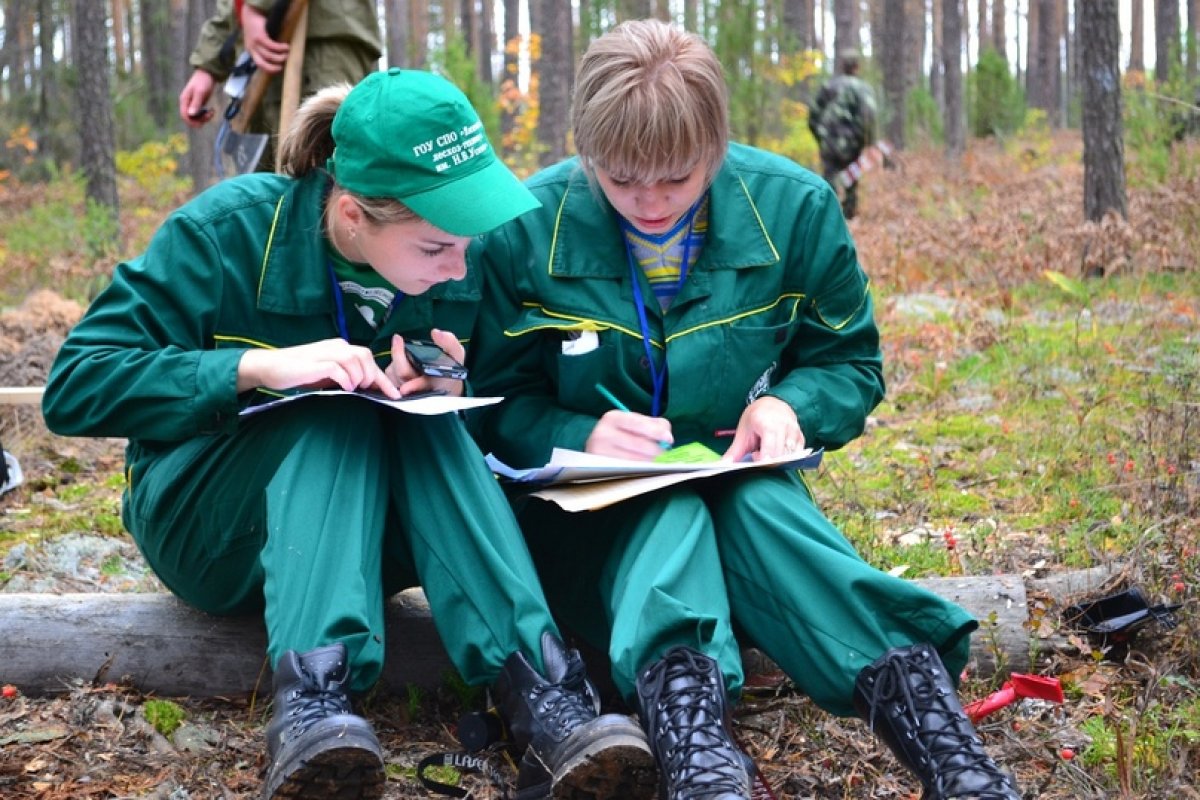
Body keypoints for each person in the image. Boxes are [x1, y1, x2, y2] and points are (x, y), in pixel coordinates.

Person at [44, 69, 659, 800]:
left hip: (378, 534)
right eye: (436, 249)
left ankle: (544, 699)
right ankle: (312, 707)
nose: (462, 267)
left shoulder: (458, 258)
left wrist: (453, 387)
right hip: (211, 526)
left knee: (421, 423)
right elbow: (76, 385)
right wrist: (256, 368)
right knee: (335, 404)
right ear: (351, 214)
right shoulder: (228, 233)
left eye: (466, 243)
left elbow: (501, 411)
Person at [467, 20, 1021, 800]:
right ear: (585, 150)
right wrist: (577, 430)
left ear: (717, 146)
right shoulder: (520, 229)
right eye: (622, 180)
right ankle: (701, 759)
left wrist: (791, 406)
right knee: (672, 516)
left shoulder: (794, 211)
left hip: (742, 491)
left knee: (752, 504)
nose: (651, 202)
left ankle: (951, 757)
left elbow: (848, 362)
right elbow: (487, 402)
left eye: (679, 178)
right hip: (582, 524)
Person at [179, 0, 381, 171]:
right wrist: (208, 64)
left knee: (320, 190)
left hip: (318, 42)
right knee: (261, 199)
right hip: (258, 54)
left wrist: (255, 6)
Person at [808, 49, 877, 219]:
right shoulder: (863, 88)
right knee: (851, 179)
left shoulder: (828, 86)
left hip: (829, 142)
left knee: (829, 176)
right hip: (852, 143)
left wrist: (821, 137)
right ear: (857, 66)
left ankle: (827, 216)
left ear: (842, 66)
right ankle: (848, 216)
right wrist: (866, 141)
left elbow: (813, 116)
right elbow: (868, 117)